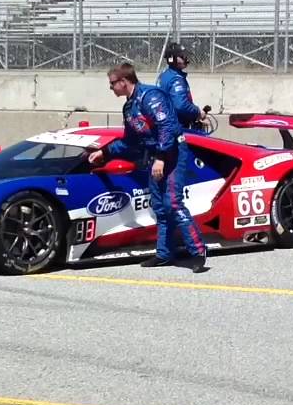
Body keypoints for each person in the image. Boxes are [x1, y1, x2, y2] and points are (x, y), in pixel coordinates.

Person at [87, 63, 208, 272]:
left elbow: (167, 127)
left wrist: (161, 157)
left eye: (112, 83)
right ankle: (164, 254)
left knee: (173, 203)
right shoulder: (129, 107)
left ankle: (198, 252)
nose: (111, 88)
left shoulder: (150, 97)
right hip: (155, 155)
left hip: (173, 153)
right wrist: (104, 152)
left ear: (124, 81)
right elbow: (130, 141)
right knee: (159, 206)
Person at [158, 42, 206, 131]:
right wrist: (198, 112)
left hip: (166, 125)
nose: (186, 58)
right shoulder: (176, 79)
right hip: (176, 127)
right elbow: (181, 105)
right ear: (172, 59)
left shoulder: (165, 75)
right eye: (182, 56)